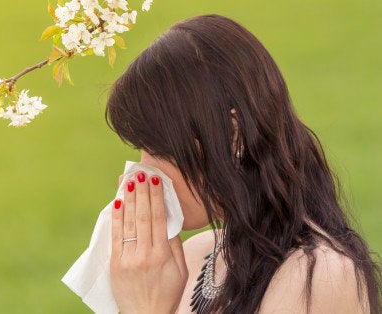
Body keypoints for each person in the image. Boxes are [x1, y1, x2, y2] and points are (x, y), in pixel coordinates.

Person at [104, 14, 380, 314]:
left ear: (233, 135)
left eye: (158, 149)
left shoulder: (317, 276)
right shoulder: (195, 256)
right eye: (140, 149)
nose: (144, 170)